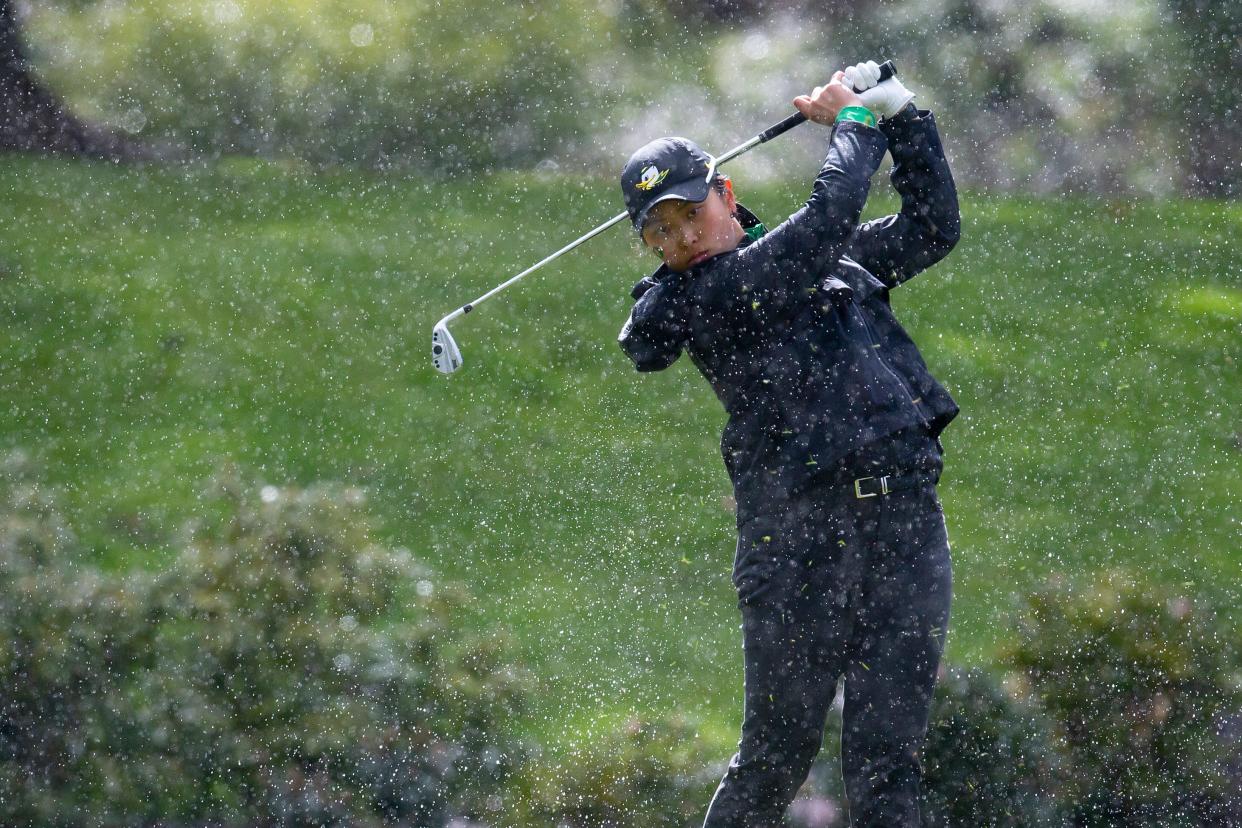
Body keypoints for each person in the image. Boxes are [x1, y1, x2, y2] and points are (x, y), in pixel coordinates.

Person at [616, 61, 961, 826]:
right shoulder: (702, 293)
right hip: (797, 540)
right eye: (658, 233)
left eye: (687, 214)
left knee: (888, 766)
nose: (680, 239)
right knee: (776, 755)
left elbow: (934, 225)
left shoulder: (822, 259)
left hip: (903, 525)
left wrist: (898, 112)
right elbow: (822, 223)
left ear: (725, 194)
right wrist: (854, 124)